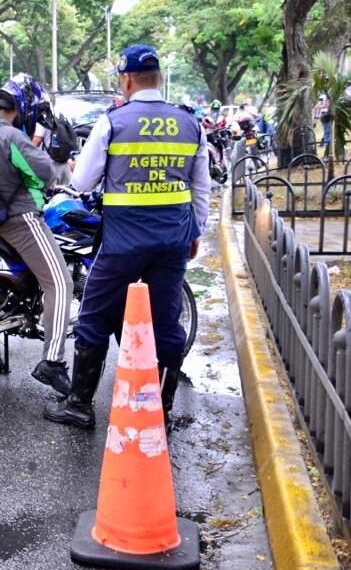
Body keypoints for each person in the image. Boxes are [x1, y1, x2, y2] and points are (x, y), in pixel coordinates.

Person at [43, 44, 211, 428]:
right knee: (167, 322)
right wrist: (194, 231)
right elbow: (201, 190)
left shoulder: (114, 121)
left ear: (128, 79)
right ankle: (161, 411)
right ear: (159, 78)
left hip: (121, 244)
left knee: (95, 317)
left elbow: (83, 181)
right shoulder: (189, 123)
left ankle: (79, 405)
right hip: (172, 243)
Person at [0, 75, 74, 394]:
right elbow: (45, 171)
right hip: (17, 218)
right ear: (24, 107)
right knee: (60, 282)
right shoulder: (11, 137)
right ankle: (53, 361)